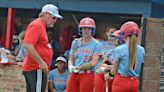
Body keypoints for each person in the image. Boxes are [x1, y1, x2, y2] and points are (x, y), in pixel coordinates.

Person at [22, 4, 63, 92]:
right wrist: (41, 62)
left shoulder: (41, 26)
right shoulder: (37, 25)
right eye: (54, 17)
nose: (55, 21)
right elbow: (28, 45)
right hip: (35, 68)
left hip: (36, 69)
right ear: (46, 14)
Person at [66, 17, 102, 92]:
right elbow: (71, 58)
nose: (86, 31)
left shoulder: (96, 44)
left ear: (92, 30)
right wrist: (70, 65)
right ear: (80, 29)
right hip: (74, 73)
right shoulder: (75, 42)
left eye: (89, 29)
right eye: (84, 28)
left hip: (87, 74)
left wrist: (80, 68)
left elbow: (93, 63)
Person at [110, 21, 145, 92]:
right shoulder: (142, 50)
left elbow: (114, 71)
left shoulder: (119, 49)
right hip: (135, 82)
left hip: (121, 81)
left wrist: (109, 75)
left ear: (124, 33)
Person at [94, 27, 117, 92]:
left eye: (115, 33)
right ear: (107, 33)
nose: (113, 34)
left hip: (113, 70)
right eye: (111, 32)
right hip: (102, 70)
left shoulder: (118, 45)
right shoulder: (101, 44)